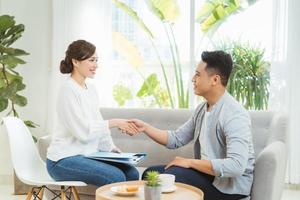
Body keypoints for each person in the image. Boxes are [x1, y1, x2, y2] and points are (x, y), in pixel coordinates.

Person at [130, 51, 255, 200]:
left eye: (197, 75)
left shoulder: (234, 114)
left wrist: (189, 162)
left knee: (171, 177)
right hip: (208, 177)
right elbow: (176, 139)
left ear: (214, 80)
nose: (192, 79)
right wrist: (145, 127)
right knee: (150, 175)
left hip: (229, 187)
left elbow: (236, 166)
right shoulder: (203, 109)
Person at [46, 39, 139, 186]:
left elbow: (97, 124)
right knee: (116, 177)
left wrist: (111, 148)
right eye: (91, 60)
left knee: (131, 173)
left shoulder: (92, 90)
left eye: (96, 60)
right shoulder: (67, 90)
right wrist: (114, 122)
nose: (96, 65)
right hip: (62, 160)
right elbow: (82, 132)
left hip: (86, 155)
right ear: (75, 62)